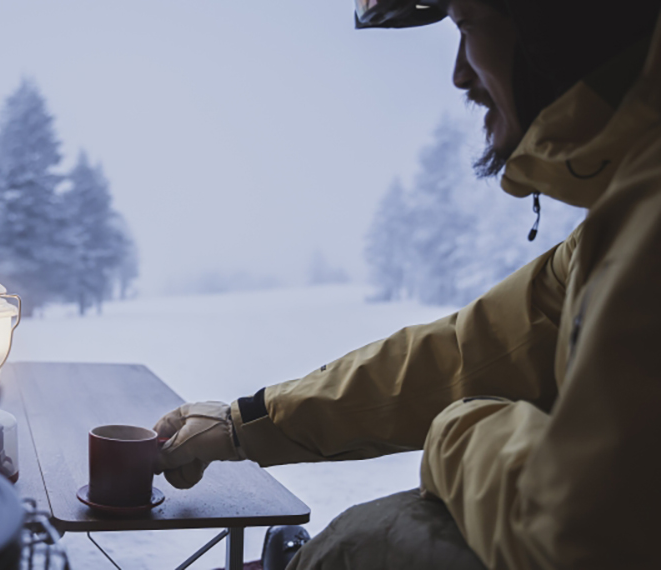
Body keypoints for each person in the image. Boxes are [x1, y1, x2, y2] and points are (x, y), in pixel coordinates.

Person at [153, 1, 661, 568]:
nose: (460, 74)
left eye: (466, 25)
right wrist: (241, 424)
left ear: (557, 26)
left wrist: (455, 429)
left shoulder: (649, 226)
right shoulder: (619, 223)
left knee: (371, 538)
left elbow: (581, 530)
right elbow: (466, 354)